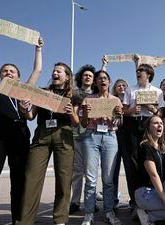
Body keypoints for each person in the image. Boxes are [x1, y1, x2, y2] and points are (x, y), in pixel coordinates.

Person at [0, 22, 42, 225]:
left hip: (20, 134)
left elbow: (37, 70)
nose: (8, 73)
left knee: (19, 180)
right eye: (4, 71)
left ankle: (18, 219)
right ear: (0, 75)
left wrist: (38, 48)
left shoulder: (24, 91)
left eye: (12, 71)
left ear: (19, 77)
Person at [16, 62, 78, 225]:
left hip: (64, 134)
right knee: (31, 178)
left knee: (64, 179)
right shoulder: (42, 92)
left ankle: (60, 219)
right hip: (42, 134)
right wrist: (24, 109)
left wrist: (72, 114)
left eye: (59, 71)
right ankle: (25, 220)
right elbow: (30, 116)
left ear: (67, 76)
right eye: (54, 71)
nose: (55, 73)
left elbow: (77, 123)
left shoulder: (73, 95)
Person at [80, 70, 123, 225]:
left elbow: (119, 123)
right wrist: (86, 113)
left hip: (110, 136)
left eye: (105, 78)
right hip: (91, 136)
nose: (102, 81)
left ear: (109, 82)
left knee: (108, 179)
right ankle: (89, 213)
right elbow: (83, 123)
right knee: (91, 178)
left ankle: (109, 212)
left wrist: (118, 115)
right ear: (96, 82)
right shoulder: (88, 99)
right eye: (99, 79)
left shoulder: (116, 100)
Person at [122, 57, 165, 211]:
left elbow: (160, 112)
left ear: (149, 74)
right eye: (137, 71)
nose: (138, 73)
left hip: (149, 123)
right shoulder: (130, 89)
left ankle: (153, 195)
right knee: (133, 161)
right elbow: (123, 111)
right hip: (133, 124)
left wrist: (151, 108)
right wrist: (132, 110)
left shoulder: (157, 92)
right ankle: (135, 200)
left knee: (150, 159)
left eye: (141, 71)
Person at [135, 115, 165, 225]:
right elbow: (153, 175)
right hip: (144, 192)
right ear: (148, 128)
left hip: (156, 189)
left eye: (161, 123)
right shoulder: (145, 146)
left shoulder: (162, 147)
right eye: (155, 123)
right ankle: (148, 214)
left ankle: (147, 211)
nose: (159, 125)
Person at [69, 64, 96, 214]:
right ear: (81, 77)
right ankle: (74, 201)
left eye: (90, 75)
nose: (87, 77)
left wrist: (104, 65)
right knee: (77, 171)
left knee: (91, 172)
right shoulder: (75, 94)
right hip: (77, 135)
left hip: (92, 135)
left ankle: (90, 201)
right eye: (85, 75)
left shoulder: (97, 94)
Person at [111, 78, 129, 208]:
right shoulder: (111, 101)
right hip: (114, 137)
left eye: (124, 85)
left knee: (130, 169)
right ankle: (113, 200)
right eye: (119, 86)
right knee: (113, 170)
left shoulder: (131, 100)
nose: (121, 87)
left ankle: (133, 200)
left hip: (128, 138)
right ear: (115, 89)